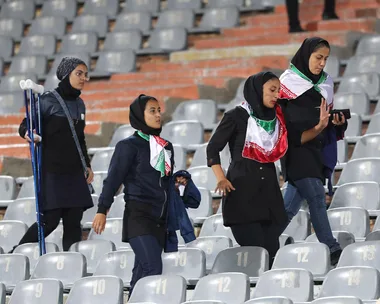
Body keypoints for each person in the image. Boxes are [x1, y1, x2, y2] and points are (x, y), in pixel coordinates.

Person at [91, 94, 200, 297]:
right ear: (139, 115)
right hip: (139, 217)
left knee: (141, 273)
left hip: (160, 220)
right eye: (152, 111)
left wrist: (177, 184)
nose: (158, 115)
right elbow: (113, 179)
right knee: (153, 269)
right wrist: (102, 210)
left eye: (159, 110)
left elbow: (163, 182)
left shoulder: (165, 146)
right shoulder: (128, 146)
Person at [207, 72, 288, 266]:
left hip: (268, 194)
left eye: (278, 90)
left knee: (272, 254)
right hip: (242, 193)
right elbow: (213, 148)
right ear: (257, 90)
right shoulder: (236, 116)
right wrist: (221, 178)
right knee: (256, 254)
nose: (276, 95)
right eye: (272, 90)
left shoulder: (278, 117)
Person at [13, 57, 94, 252]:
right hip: (53, 171)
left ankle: (71, 263)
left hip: (74, 171)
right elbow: (25, 125)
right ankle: (15, 252)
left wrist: (87, 165)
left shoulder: (80, 104)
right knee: (49, 220)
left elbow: (80, 138)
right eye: (79, 73)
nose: (84, 78)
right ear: (66, 75)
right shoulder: (47, 100)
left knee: (74, 221)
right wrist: (28, 133)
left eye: (85, 74)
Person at [279, 37, 347, 265]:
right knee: (317, 197)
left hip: (315, 149)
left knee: (289, 208)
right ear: (306, 55)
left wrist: (335, 122)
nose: (322, 63)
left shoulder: (325, 83)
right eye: (318, 57)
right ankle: (332, 247)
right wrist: (314, 124)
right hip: (296, 148)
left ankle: (265, 242)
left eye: (326, 59)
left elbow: (325, 117)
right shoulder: (287, 83)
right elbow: (281, 122)